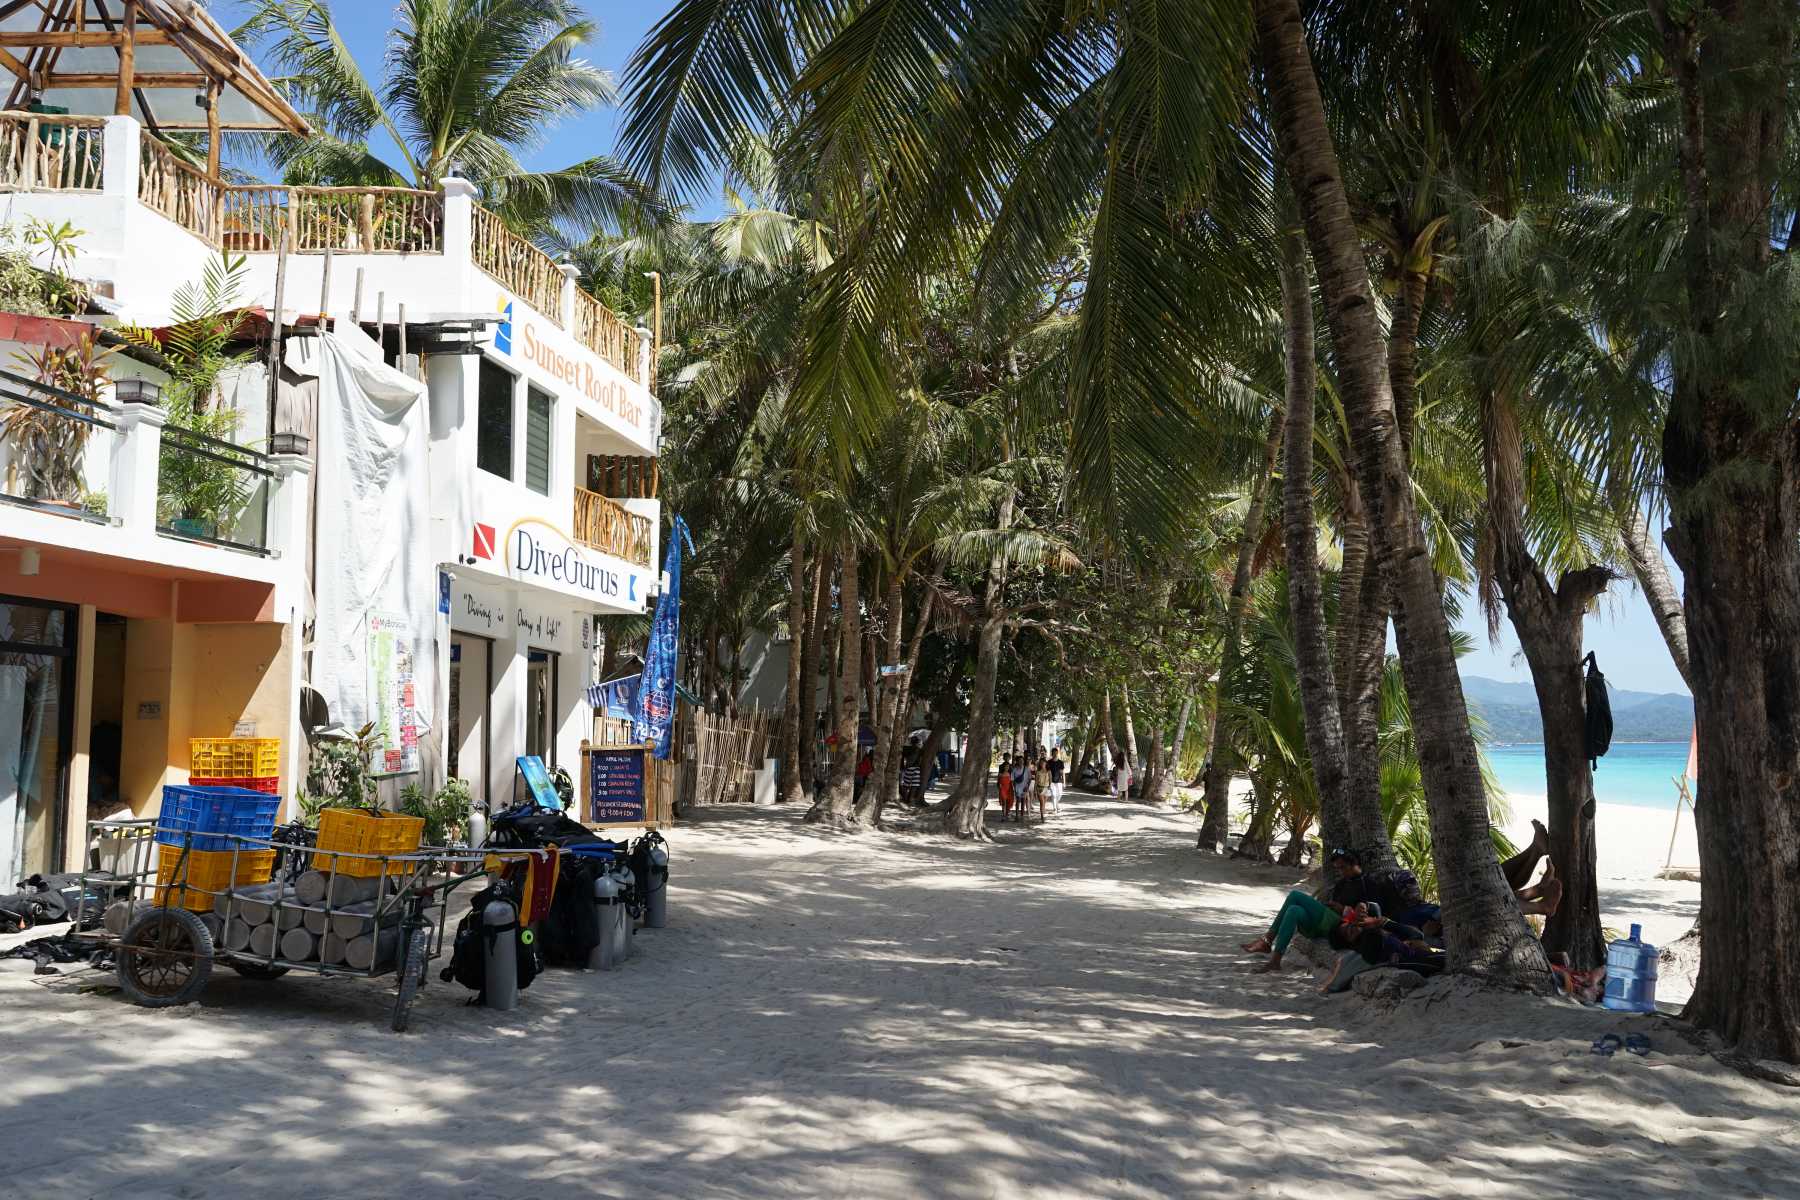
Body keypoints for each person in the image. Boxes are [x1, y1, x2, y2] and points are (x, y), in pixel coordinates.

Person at [1047, 747, 1066, 814]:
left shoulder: (1061, 762)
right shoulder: (1049, 762)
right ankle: (1054, 809)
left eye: (1056, 753)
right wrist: (1048, 783)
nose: (1055, 754)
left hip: (1059, 781)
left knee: (1059, 794)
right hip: (1051, 781)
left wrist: (1064, 782)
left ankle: (1057, 804)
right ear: (1052, 754)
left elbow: (1062, 773)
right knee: (1054, 795)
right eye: (1053, 753)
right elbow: (1048, 773)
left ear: (1057, 753)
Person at [1034, 754, 1051, 821]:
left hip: (1047, 788)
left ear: (1046, 763)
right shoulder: (1038, 772)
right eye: (1041, 763)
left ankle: (1043, 813)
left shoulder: (1048, 771)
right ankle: (1042, 816)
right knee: (1042, 802)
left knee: (1044, 803)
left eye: (1043, 762)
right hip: (1040, 788)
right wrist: (1035, 790)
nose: (1042, 764)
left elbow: (1050, 779)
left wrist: (1050, 787)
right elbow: (1036, 781)